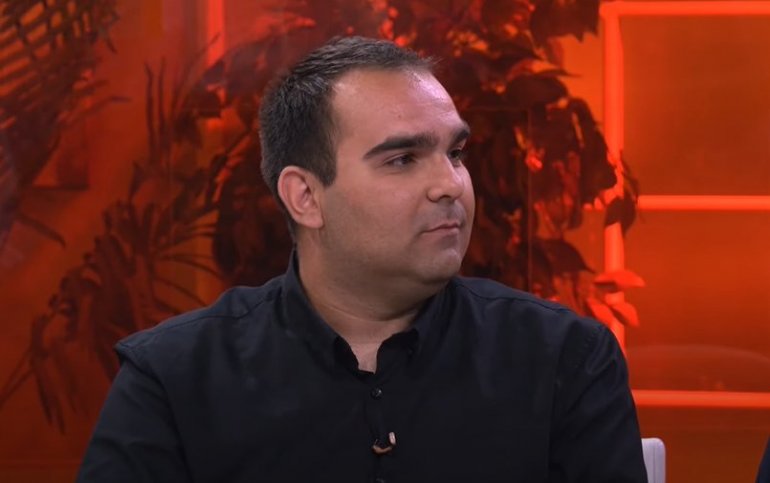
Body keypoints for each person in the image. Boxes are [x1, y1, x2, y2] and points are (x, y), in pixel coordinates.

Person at [77, 36, 647, 482]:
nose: (451, 184)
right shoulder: (172, 378)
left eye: (455, 153)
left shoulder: (565, 358)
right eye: (403, 159)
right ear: (305, 196)